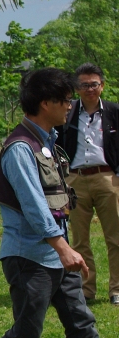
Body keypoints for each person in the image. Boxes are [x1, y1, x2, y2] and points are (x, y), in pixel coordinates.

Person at [0, 68, 119, 338]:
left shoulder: (47, 143)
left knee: (82, 324)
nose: (70, 106)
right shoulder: (21, 148)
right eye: (65, 100)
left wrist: (63, 251)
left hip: (56, 259)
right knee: (26, 335)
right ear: (45, 103)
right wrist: (63, 248)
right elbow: (34, 206)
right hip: (29, 259)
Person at [55, 63, 119, 304]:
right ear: (77, 88)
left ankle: (116, 290)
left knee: (115, 237)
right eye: (84, 85)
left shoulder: (114, 111)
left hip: (107, 177)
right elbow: (56, 145)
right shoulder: (68, 113)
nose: (90, 89)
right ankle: (86, 290)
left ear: (102, 86)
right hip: (76, 179)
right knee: (80, 239)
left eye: (94, 84)